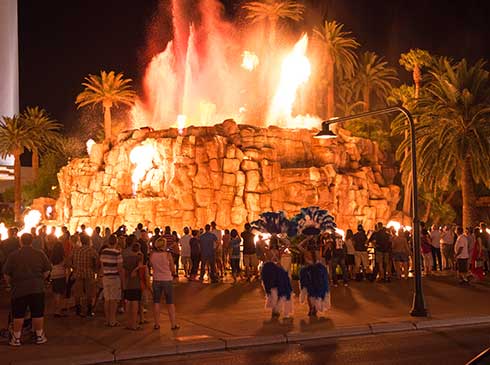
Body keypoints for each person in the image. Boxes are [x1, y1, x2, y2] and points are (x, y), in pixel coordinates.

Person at [3, 233, 52, 346]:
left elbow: (6, 273)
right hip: (37, 288)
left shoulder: (13, 255)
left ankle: (16, 338)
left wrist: (9, 284)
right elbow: (47, 269)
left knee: (18, 314)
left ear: (20, 241)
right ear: (32, 241)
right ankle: (39, 336)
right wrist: (40, 279)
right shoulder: (39, 253)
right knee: (37, 313)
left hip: (19, 289)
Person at [150, 237, 179, 330]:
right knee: (170, 303)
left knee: (156, 302)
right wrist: (174, 274)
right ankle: (173, 324)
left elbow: (151, 266)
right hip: (167, 279)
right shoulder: (167, 255)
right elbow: (172, 268)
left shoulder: (152, 255)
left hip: (156, 279)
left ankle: (157, 324)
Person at [69, 234, 98, 317]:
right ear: (88, 241)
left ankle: (78, 310)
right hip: (89, 273)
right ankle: (89, 311)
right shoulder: (91, 250)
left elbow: (68, 260)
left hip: (78, 273)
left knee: (78, 293)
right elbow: (97, 261)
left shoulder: (76, 250)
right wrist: (94, 269)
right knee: (90, 293)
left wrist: (74, 267)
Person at [99, 234, 124, 327]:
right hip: (114, 278)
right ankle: (113, 320)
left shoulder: (103, 252)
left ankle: (107, 320)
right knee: (114, 300)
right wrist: (122, 281)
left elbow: (102, 265)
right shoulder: (117, 253)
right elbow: (120, 268)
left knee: (107, 299)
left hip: (105, 277)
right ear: (116, 242)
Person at [261, 250, 293, 319]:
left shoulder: (273, 252)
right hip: (273, 272)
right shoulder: (271, 252)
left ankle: (275, 311)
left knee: (276, 292)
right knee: (274, 293)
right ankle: (275, 311)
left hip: (276, 272)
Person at [299, 250, 330, 317]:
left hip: (313, 274)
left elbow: (299, 246)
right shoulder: (316, 252)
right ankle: (312, 309)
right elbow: (321, 261)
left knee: (311, 292)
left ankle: (312, 309)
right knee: (313, 292)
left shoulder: (308, 253)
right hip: (314, 274)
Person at [123, 242, 143, 330]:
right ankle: (134, 324)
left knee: (128, 303)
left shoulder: (126, 259)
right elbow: (140, 267)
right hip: (136, 283)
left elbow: (123, 270)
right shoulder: (139, 258)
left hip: (128, 283)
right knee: (135, 303)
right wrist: (135, 271)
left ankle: (128, 323)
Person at [50, 241, 68, 317]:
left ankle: (55, 310)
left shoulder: (51, 257)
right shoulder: (63, 257)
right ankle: (59, 311)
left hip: (54, 276)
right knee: (60, 294)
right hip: (61, 275)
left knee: (55, 293)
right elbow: (66, 266)